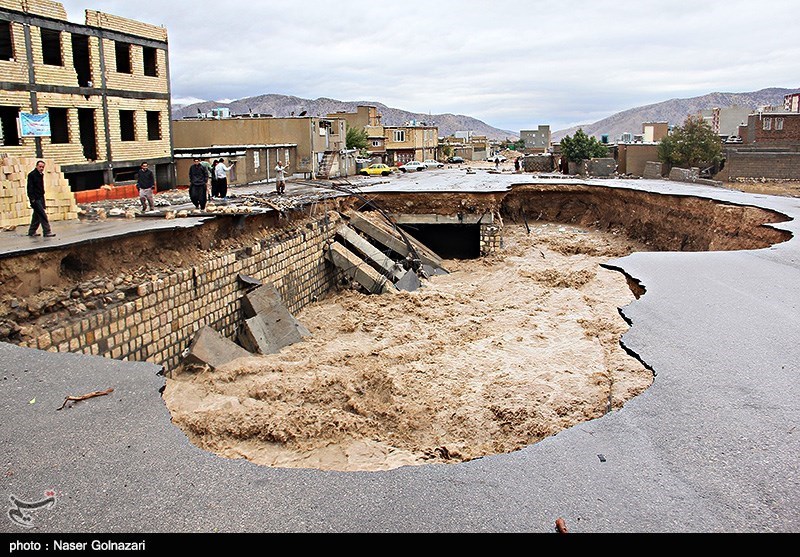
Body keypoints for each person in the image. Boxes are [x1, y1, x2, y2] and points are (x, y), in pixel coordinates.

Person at [27, 160, 55, 237]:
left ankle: (32, 231)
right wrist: (32, 199)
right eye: (40, 167)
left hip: (41, 197)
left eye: (43, 167)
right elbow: (30, 188)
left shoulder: (40, 174)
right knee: (42, 215)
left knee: (37, 215)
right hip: (35, 198)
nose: (41, 168)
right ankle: (47, 231)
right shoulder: (32, 175)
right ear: (36, 166)